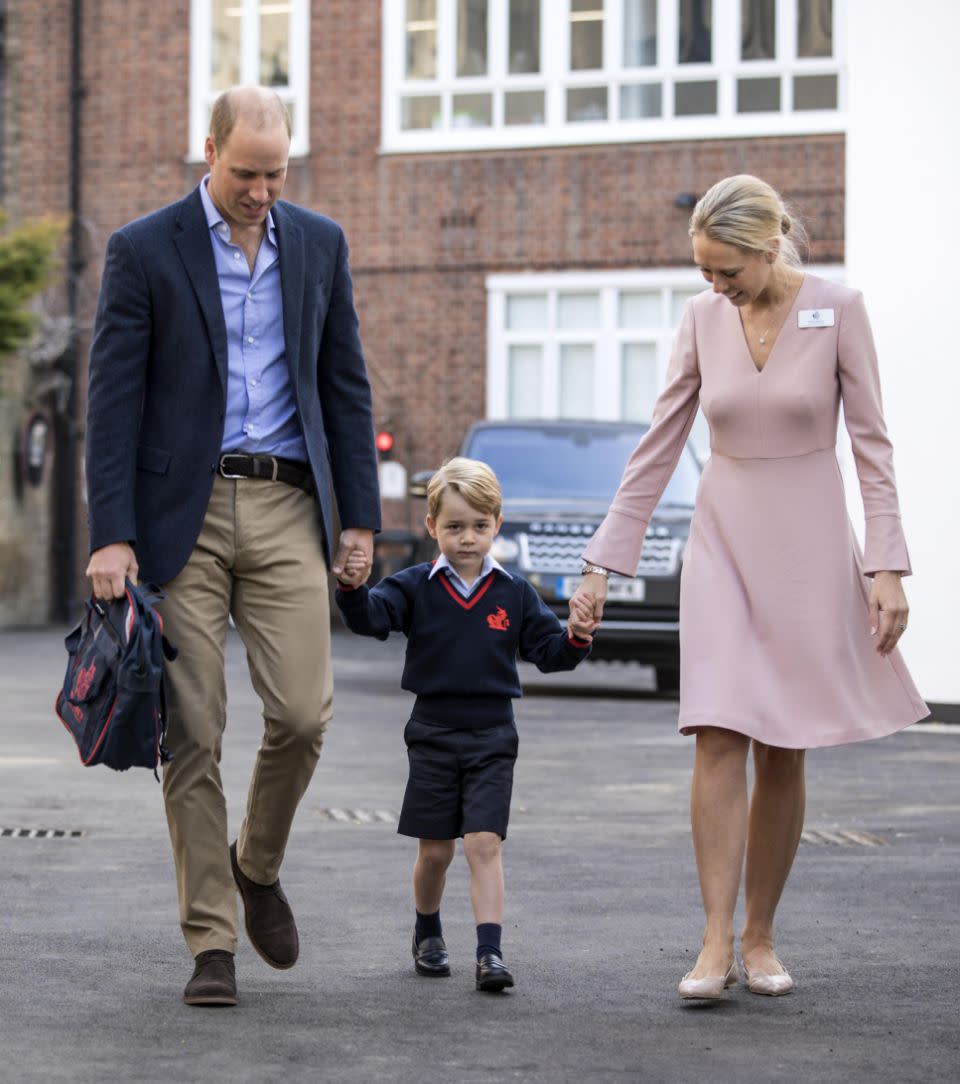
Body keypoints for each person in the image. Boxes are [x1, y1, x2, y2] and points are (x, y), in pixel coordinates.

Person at [571, 175, 929, 1001]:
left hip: (807, 542)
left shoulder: (839, 308)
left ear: (771, 247)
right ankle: (710, 943)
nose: (715, 287)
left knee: (783, 742)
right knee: (717, 731)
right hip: (723, 543)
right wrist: (602, 563)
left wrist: (887, 566)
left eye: (726, 270)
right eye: (704, 270)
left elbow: (873, 448)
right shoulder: (702, 320)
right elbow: (658, 447)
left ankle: (760, 936)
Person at [84, 86, 381, 1006]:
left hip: (291, 503)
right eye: (245, 172)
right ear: (207, 151)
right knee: (194, 729)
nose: (260, 190)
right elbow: (112, 401)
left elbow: (345, 385)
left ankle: (257, 864)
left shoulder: (320, 244)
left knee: (302, 714)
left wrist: (360, 520)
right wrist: (112, 535)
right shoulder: (143, 249)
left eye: (276, 173)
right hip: (186, 515)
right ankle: (212, 940)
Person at [335, 457, 595, 992]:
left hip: (493, 736)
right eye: (454, 527)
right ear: (432, 526)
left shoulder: (514, 593)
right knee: (436, 850)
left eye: (479, 526)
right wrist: (354, 589)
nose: (468, 538)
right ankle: (427, 929)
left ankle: (489, 953)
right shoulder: (414, 587)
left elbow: (549, 652)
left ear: (497, 523)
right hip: (432, 733)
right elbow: (371, 620)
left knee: (484, 842)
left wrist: (577, 635)